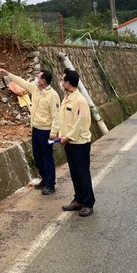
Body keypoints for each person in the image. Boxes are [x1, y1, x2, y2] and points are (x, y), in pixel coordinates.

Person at [0, 67, 60, 195]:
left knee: (47, 156)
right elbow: (22, 82)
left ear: (43, 81)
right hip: (36, 129)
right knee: (37, 155)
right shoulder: (35, 89)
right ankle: (44, 178)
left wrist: (54, 133)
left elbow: (56, 115)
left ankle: (51, 183)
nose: (36, 78)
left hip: (46, 131)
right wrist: (8, 73)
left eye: (39, 77)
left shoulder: (53, 95)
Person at [56, 68, 95, 217]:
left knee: (82, 172)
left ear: (68, 83)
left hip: (79, 142)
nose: (61, 82)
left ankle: (88, 203)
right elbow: (63, 120)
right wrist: (61, 135)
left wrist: (68, 137)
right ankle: (78, 199)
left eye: (62, 79)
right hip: (69, 142)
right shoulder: (66, 98)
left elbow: (81, 122)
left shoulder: (80, 100)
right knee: (74, 173)